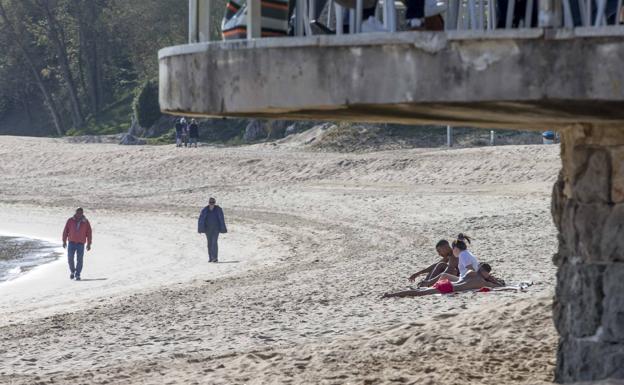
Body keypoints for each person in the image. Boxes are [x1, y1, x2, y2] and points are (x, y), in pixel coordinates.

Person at [383, 263, 505, 298]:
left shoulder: (470, 272)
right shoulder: (482, 282)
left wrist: (487, 276)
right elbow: (498, 286)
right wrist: (492, 279)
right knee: (419, 293)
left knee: (421, 291)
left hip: (448, 283)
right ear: (486, 273)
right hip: (449, 288)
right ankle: (391, 294)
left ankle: (395, 294)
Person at [62, 207, 92, 281]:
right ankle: (73, 271)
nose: (79, 214)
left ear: (82, 213)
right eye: (78, 213)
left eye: (80, 213)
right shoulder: (70, 220)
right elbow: (65, 231)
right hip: (71, 242)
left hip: (80, 244)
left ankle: (77, 274)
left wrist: (89, 244)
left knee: (80, 260)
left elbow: (89, 233)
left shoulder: (86, 222)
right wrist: (64, 241)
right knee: (70, 259)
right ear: (75, 213)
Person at [198, 198, 228, 262]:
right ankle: (210, 257)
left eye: (213, 203)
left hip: (216, 229)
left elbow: (221, 219)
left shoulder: (218, 210)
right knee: (209, 243)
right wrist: (200, 229)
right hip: (207, 229)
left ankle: (215, 257)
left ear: (214, 203)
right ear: (209, 203)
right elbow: (201, 219)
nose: (212, 204)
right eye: (210, 203)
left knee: (214, 242)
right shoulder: (205, 210)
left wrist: (223, 228)